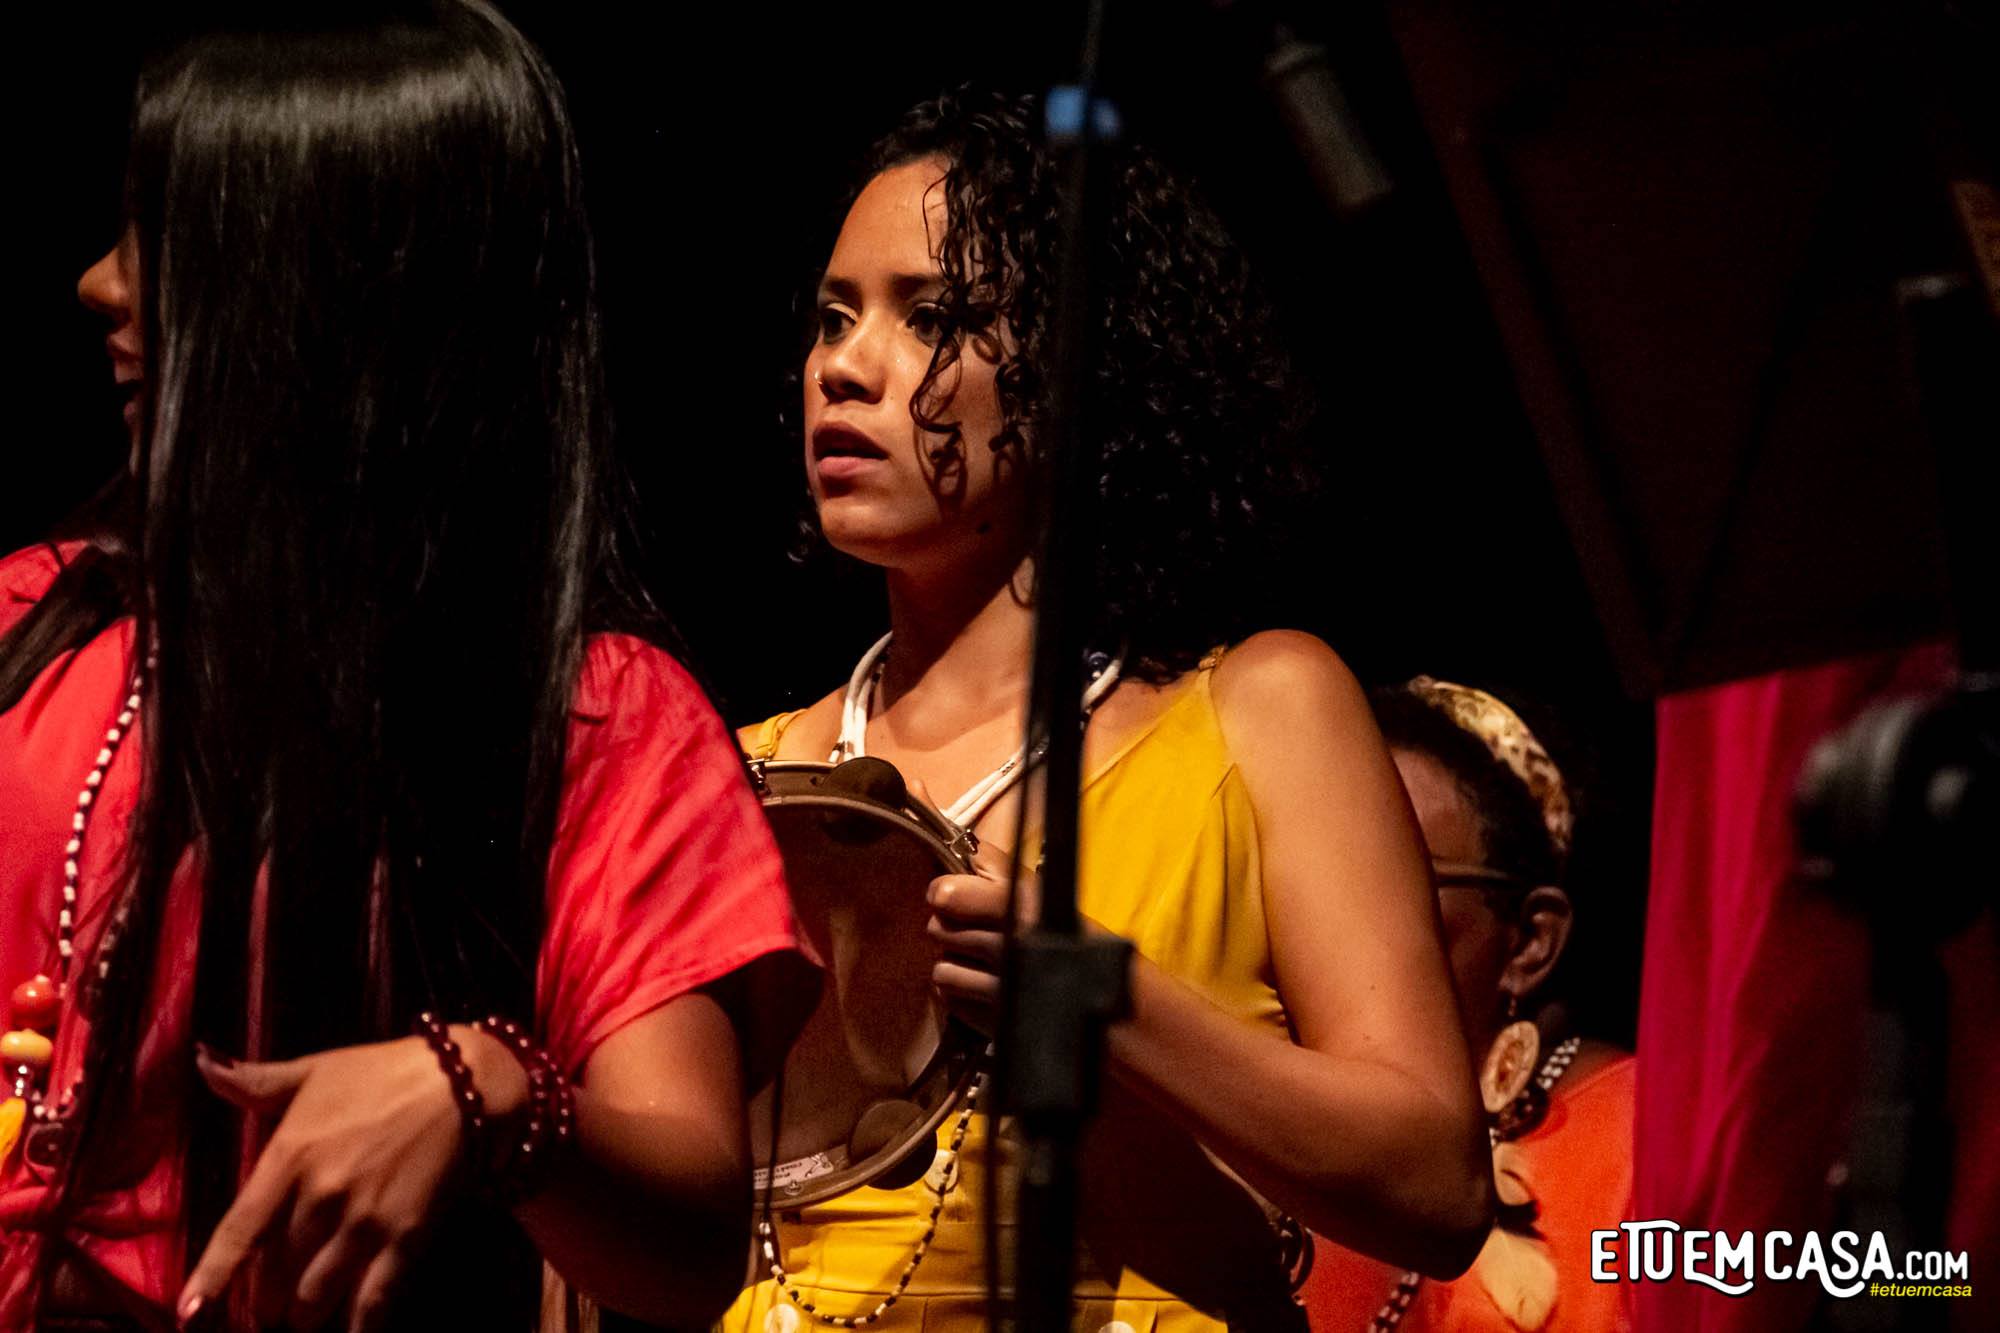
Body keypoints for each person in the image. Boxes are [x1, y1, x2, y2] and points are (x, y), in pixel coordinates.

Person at [0, 4, 812, 1329]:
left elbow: (690, 1233)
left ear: (316, 290)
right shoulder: (33, 620)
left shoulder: (592, 715)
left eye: (164, 234)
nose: (99, 282)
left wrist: (490, 1088)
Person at [724, 88, 1492, 1333]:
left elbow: (1436, 1185)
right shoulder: (746, 776)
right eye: (832, 316)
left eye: (934, 317)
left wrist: (1104, 1000)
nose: (843, 366)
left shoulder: (1259, 712)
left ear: (1080, 371)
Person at [1301, 679, 1635, 1333]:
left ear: (1530, 941)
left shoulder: (1637, 1144)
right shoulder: (1256, 1137)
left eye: (1384, 875)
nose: (1320, 915)